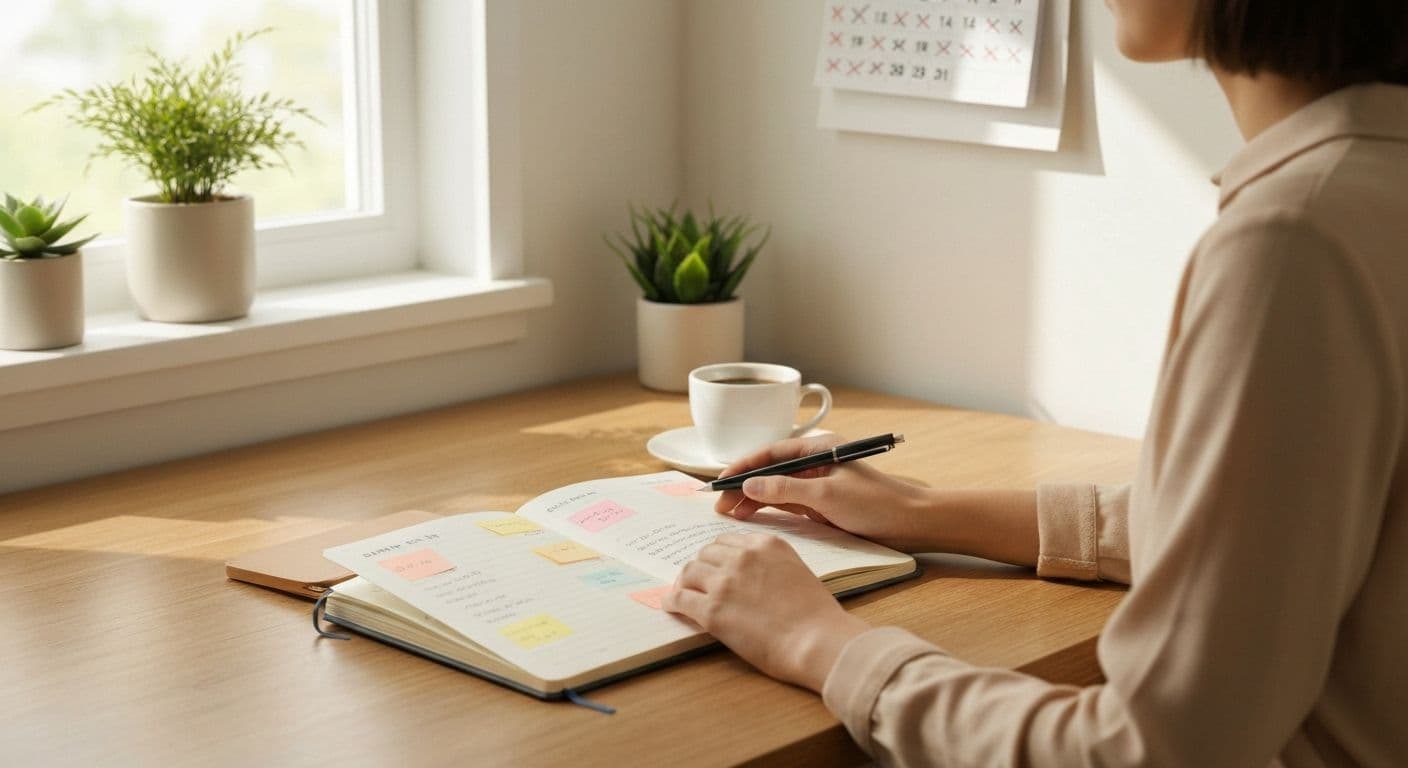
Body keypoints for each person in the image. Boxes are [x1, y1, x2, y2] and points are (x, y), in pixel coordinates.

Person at [661, 1, 1408, 765]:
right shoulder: (1369, 189)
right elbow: (1263, 535)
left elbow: (1150, 750)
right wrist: (922, 510)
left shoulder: (1292, 242)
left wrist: (821, 643)